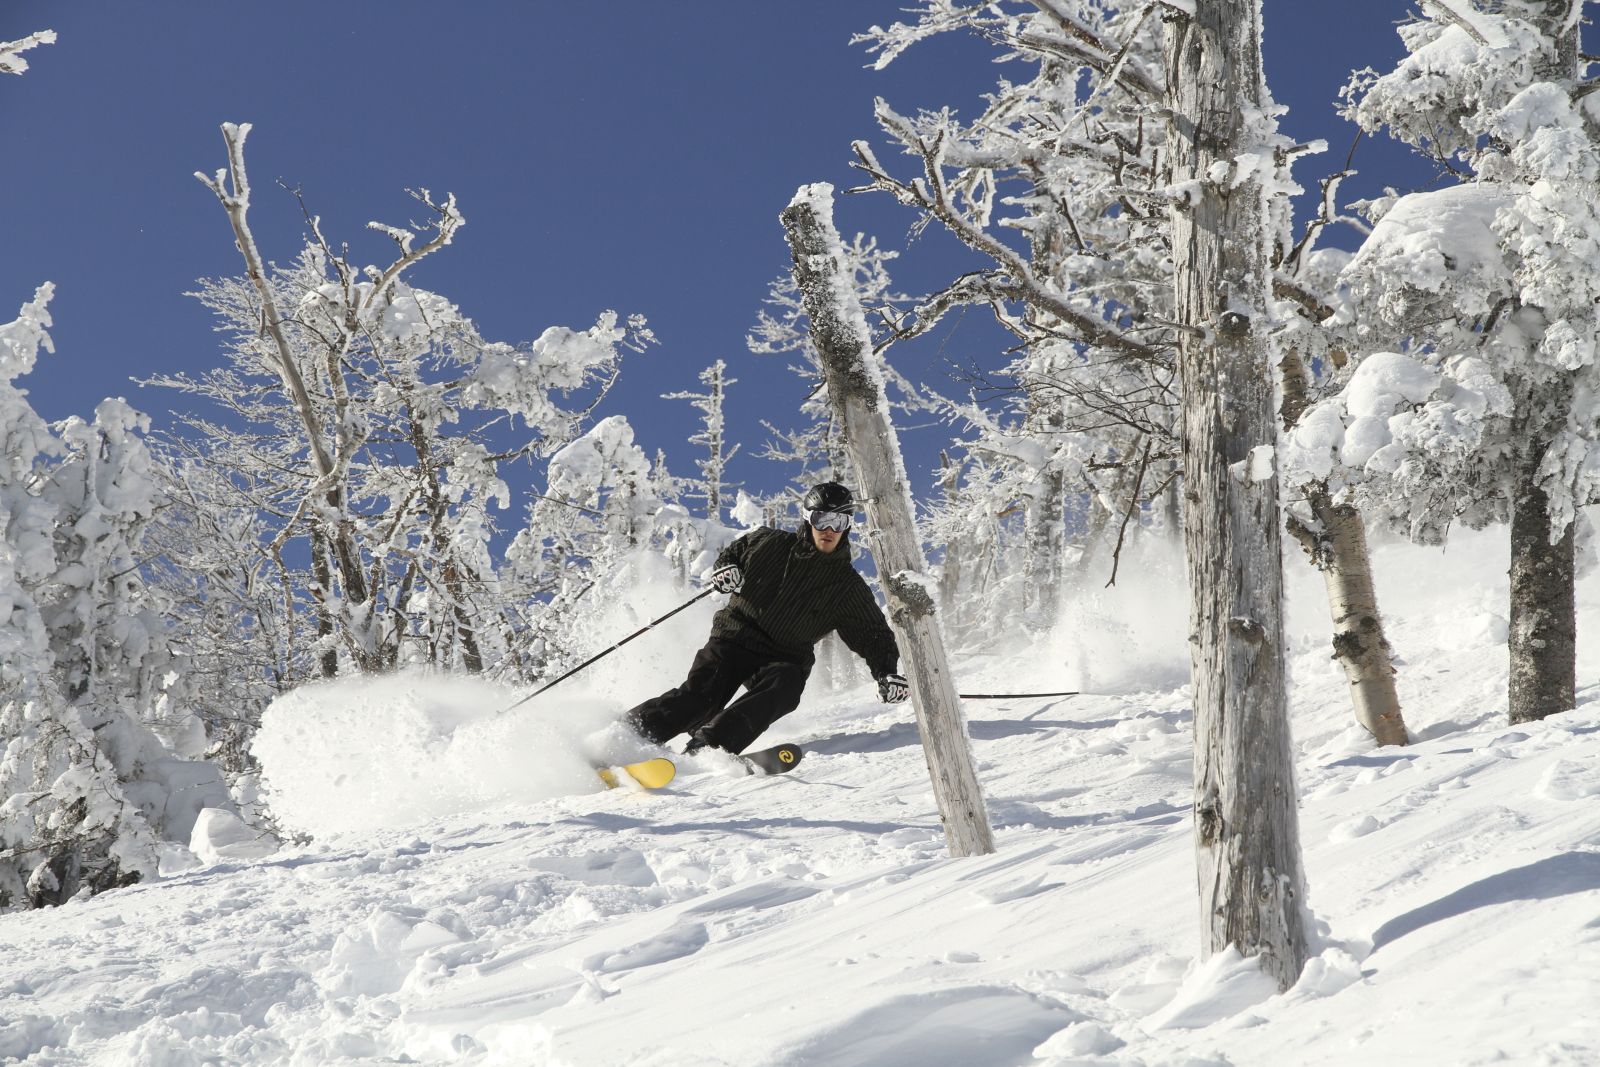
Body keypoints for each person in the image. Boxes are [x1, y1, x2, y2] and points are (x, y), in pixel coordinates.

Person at [626, 481, 909, 755]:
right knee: (703, 697)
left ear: (847, 527)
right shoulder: (770, 543)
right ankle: (628, 734)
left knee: (785, 687)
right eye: (822, 519)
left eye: (840, 522)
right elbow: (734, 552)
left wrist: (885, 672)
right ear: (809, 519)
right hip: (735, 638)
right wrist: (726, 569)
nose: (829, 530)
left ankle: (710, 746)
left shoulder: (846, 587)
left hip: (784, 656)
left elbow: (872, 634)